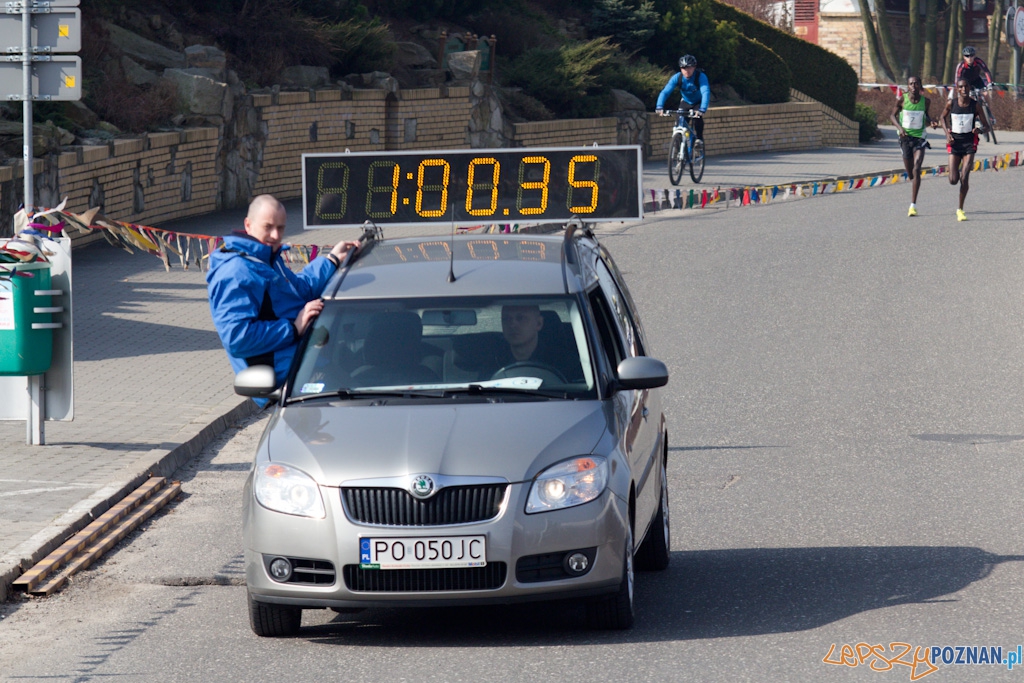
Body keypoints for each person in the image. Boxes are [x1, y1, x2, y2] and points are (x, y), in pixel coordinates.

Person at [206, 194, 359, 390]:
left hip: (307, 361)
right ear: (248, 225)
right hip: (286, 381)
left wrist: (332, 260)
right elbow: (237, 338)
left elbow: (300, 290)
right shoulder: (236, 272)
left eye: (280, 228)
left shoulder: (267, 258)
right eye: (268, 227)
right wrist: (294, 328)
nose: (275, 236)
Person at [940, 79, 990, 222]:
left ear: (969, 88)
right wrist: (947, 134)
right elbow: (942, 117)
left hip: (969, 143)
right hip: (955, 143)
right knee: (953, 180)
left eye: (966, 86)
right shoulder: (952, 103)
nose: (964, 89)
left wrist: (979, 130)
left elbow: (987, 126)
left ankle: (960, 209)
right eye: (961, 87)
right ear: (957, 89)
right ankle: (955, 170)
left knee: (965, 176)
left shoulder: (975, 105)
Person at [890, 76, 938, 217]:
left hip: (920, 138)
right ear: (908, 86)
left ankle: (913, 205)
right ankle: (913, 181)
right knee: (911, 174)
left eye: (916, 83)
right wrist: (900, 128)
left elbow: (926, 115)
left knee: (917, 169)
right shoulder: (902, 99)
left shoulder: (926, 101)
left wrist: (932, 121)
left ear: (920, 86)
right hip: (905, 138)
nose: (913, 86)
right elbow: (892, 116)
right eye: (911, 84)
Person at [495, 304, 582, 381]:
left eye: (520, 318)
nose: (512, 324)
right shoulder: (491, 361)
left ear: (539, 323)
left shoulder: (567, 364)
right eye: (506, 319)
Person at [655, 54, 711, 141]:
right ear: (680, 68)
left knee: (697, 119)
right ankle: (678, 145)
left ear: (694, 67)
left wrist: (703, 108)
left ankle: (699, 140)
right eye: (684, 68)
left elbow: (705, 92)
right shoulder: (677, 77)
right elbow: (665, 92)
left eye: (689, 68)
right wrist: (659, 106)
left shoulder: (700, 76)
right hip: (686, 101)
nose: (686, 70)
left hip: (698, 102)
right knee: (679, 122)